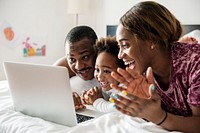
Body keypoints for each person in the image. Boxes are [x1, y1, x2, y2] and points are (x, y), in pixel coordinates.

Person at [109, 1, 200, 133]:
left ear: (152, 40)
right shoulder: (143, 73)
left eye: (125, 45)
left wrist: (160, 117)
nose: (120, 55)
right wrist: (144, 108)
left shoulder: (195, 61)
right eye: (119, 47)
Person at [54, 26, 100, 110]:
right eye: (72, 59)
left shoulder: (112, 63)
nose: (79, 66)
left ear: (97, 50)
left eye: (85, 57)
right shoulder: (61, 68)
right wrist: (64, 98)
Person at [81, 36, 125, 113]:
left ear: (122, 71)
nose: (100, 76)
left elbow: (115, 108)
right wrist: (90, 97)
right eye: (97, 70)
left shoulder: (125, 89)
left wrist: (96, 101)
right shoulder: (109, 88)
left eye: (106, 71)